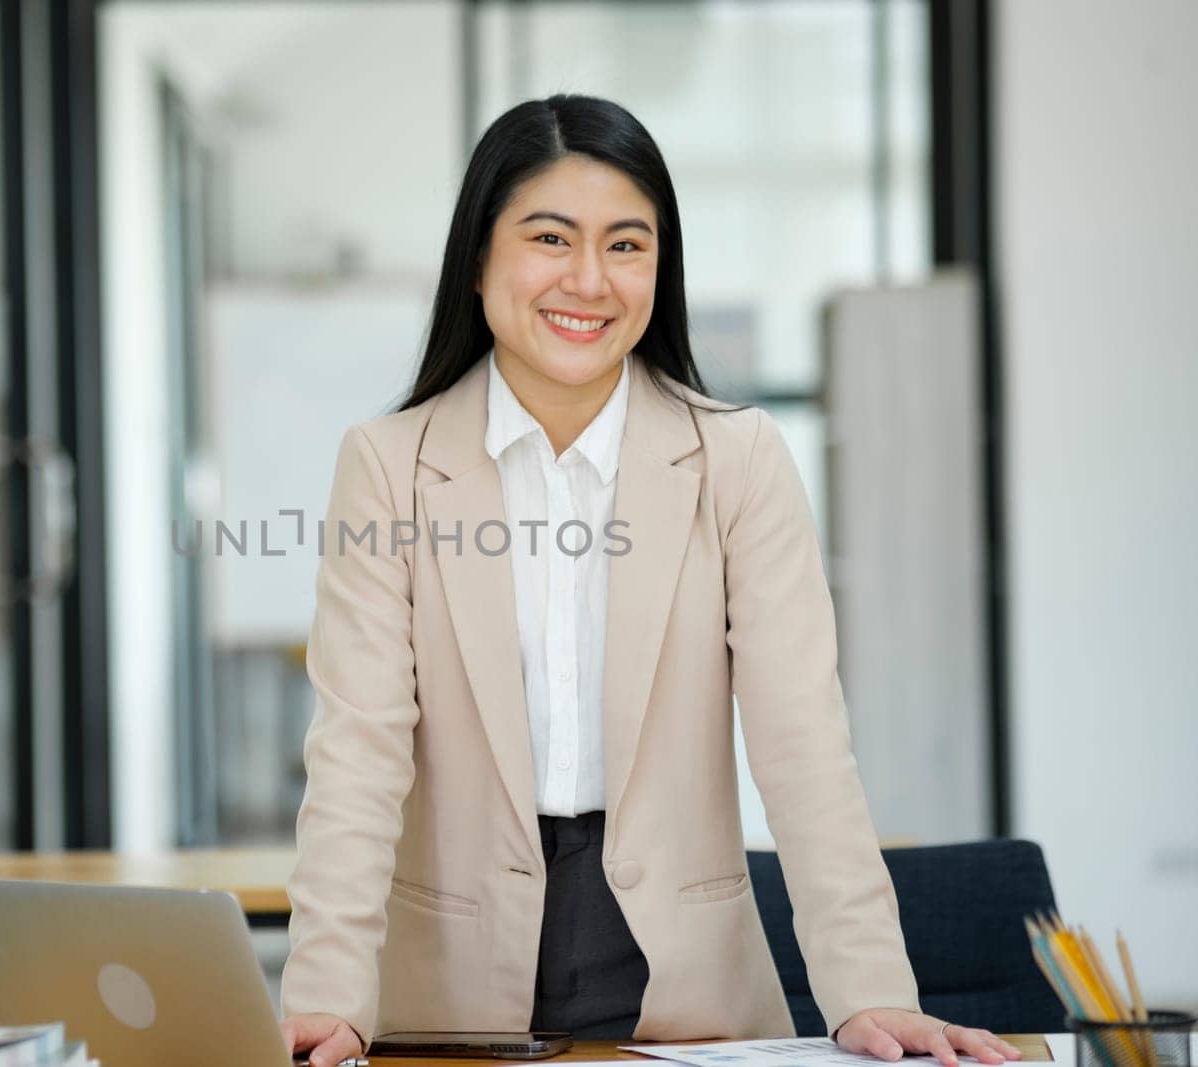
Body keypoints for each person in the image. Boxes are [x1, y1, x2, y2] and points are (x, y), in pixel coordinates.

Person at [277, 94, 1022, 1067]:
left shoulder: (737, 457)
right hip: (449, 986)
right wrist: (327, 989)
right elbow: (357, 751)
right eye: (550, 236)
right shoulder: (387, 462)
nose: (588, 279)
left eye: (626, 244)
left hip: (687, 985)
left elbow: (803, 744)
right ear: (477, 257)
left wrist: (871, 988)